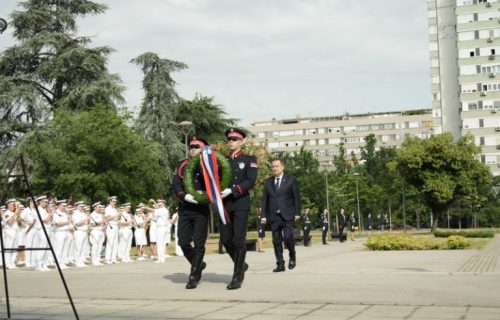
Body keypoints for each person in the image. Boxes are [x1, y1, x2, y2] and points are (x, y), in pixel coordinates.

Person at [220, 128, 258, 290]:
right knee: (226, 240)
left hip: (241, 203)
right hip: (225, 205)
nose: (231, 141)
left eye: (234, 139)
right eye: (229, 139)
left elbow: (250, 181)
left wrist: (233, 190)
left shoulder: (249, 159)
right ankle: (241, 264)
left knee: (239, 240)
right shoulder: (223, 161)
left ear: (241, 141)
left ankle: (237, 276)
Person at [172, 137, 211, 289]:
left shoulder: (208, 165)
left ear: (202, 149)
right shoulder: (182, 165)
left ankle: (194, 274)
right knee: (182, 241)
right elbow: (176, 184)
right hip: (186, 207)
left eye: (196, 146)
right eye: (191, 146)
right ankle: (199, 263)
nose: (192, 149)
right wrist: (183, 195)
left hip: (200, 207)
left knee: (199, 243)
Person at [261, 158, 300, 273]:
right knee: (276, 241)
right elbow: (264, 200)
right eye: (273, 166)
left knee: (288, 237)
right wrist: (263, 215)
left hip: (288, 214)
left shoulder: (291, 180)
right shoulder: (268, 182)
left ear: (282, 167)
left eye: (277, 166)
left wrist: (297, 213)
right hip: (274, 216)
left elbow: (296, 198)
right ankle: (280, 263)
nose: (275, 168)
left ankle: (292, 257)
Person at [52, 199, 72, 269]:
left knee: (65, 249)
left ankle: (62, 263)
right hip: (59, 232)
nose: (64, 207)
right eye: (63, 206)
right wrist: (67, 222)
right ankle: (58, 263)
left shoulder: (64, 213)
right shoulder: (56, 213)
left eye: (65, 206)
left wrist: (68, 218)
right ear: (59, 205)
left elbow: (69, 220)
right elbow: (57, 223)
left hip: (66, 231)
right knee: (59, 248)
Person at [2, 199, 19, 269]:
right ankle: (7, 263)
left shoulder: (13, 213)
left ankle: (12, 262)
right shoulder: (6, 213)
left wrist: (17, 214)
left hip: (15, 232)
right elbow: (9, 222)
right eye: (13, 205)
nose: (14, 207)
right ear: (9, 205)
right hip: (9, 232)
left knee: (14, 249)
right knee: (9, 248)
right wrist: (15, 214)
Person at [72, 201, 89, 267]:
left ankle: (81, 261)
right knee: (78, 247)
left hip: (84, 232)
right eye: (81, 206)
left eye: (83, 206)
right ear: (77, 206)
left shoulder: (83, 213)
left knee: (83, 248)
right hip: (79, 231)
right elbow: (77, 224)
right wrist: (86, 219)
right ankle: (77, 261)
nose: (82, 208)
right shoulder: (75, 214)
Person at [154, 199, 171, 264]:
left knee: (160, 243)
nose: (158, 205)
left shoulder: (162, 210)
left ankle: (161, 258)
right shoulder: (165, 210)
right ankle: (161, 258)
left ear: (163, 204)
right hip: (163, 227)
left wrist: (145, 207)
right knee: (162, 243)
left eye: (159, 204)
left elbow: (154, 210)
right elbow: (155, 217)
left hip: (161, 227)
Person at [104, 196, 120, 264]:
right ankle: (107, 259)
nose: (115, 203)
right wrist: (116, 215)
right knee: (110, 242)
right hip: (110, 226)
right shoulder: (107, 208)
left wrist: (119, 216)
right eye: (113, 201)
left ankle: (113, 258)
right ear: (110, 201)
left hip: (116, 226)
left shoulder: (115, 209)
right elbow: (108, 218)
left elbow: (117, 218)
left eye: (115, 202)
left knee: (115, 243)